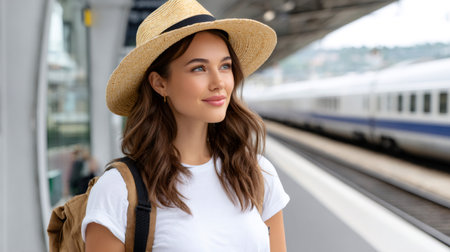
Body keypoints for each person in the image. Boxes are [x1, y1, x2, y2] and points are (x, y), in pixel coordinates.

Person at [82, 0, 290, 251]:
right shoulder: (119, 191)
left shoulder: (256, 173)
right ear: (160, 84)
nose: (218, 82)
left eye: (225, 66)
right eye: (199, 68)